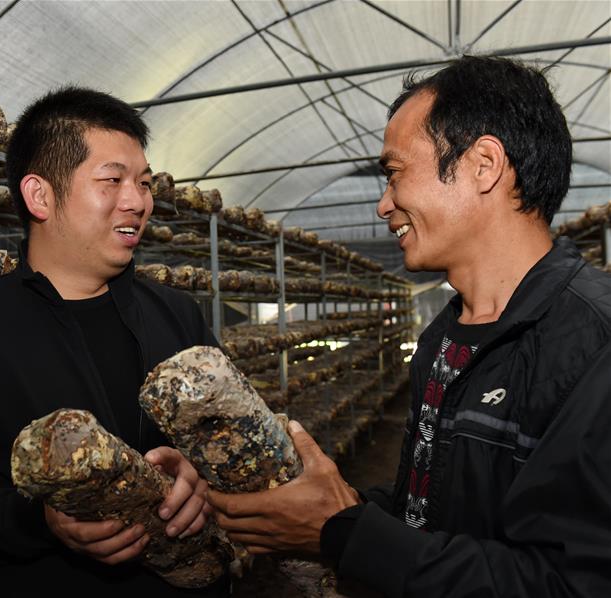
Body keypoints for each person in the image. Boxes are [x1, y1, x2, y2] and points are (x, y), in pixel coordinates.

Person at [208, 55, 611, 597]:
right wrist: (324, 505)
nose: (383, 204)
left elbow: (573, 584)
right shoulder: (442, 340)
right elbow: (426, 512)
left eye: (395, 173)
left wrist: (347, 535)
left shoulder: (594, 346)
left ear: (484, 165)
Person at [0, 86, 227, 596]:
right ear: (40, 196)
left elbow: (233, 445)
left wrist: (203, 475)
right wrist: (35, 521)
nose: (137, 201)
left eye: (144, 183)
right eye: (112, 180)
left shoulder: (177, 315)